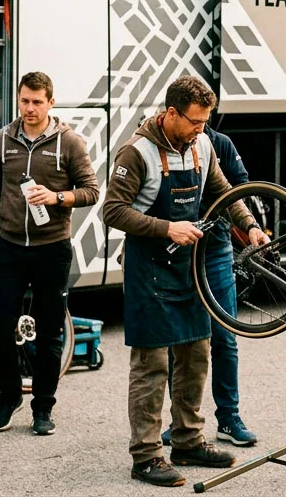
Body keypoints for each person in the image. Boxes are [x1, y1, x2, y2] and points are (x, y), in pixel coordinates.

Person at [102, 76, 266, 488]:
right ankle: (145, 456)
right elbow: (112, 211)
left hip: (188, 269)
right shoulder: (137, 152)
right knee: (152, 365)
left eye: (205, 121)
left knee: (196, 353)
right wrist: (166, 227)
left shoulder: (202, 145)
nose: (201, 128)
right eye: (195, 121)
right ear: (171, 114)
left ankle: (189, 440)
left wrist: (250, 225)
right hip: (149, 270)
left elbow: (223, 191)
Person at [0, 72, 100, 435]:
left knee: (49, 331)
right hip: (10, 246)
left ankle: (43, 408)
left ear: (51, 103)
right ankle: (8, 396)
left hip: (52, 247)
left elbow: (91, 191)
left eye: (36, 102)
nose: (29, 108)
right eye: (24, 101)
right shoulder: (3, 139)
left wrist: (57, 197)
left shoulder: (70, 142)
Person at [160, 123, 258, 448]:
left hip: (214, 249)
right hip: (179, 251)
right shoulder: (164, 145)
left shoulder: (220, 144)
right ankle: (181, 421)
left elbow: (237, 190)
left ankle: (229, 418)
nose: (197, 126)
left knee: (224, 338)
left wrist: (250, 226)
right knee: (179, 340)